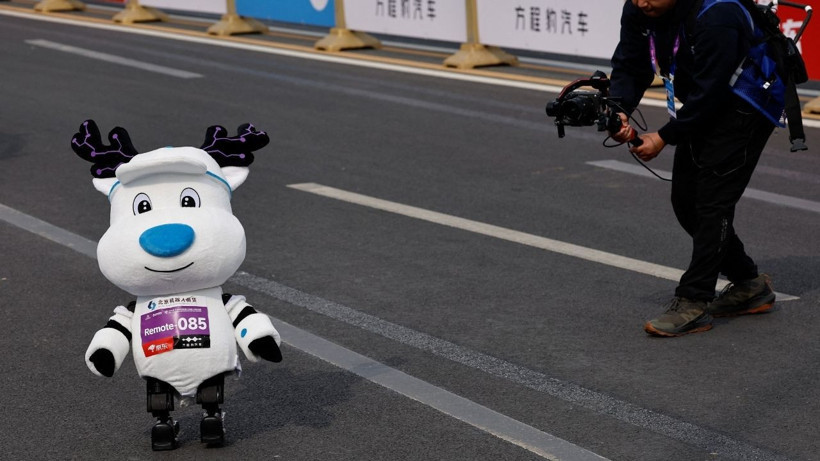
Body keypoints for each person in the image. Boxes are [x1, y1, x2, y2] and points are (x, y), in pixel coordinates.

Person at [608, 0, 777, 337]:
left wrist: (664, 137)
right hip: (703, 100)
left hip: (744, 103)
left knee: (712, 202)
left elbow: (712, 92)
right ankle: (749, 285)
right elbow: (631, 64)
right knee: (685, 201)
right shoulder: (641, 9)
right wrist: (620, 109)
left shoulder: (717, 15)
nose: (642, 2)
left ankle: (694, 300)